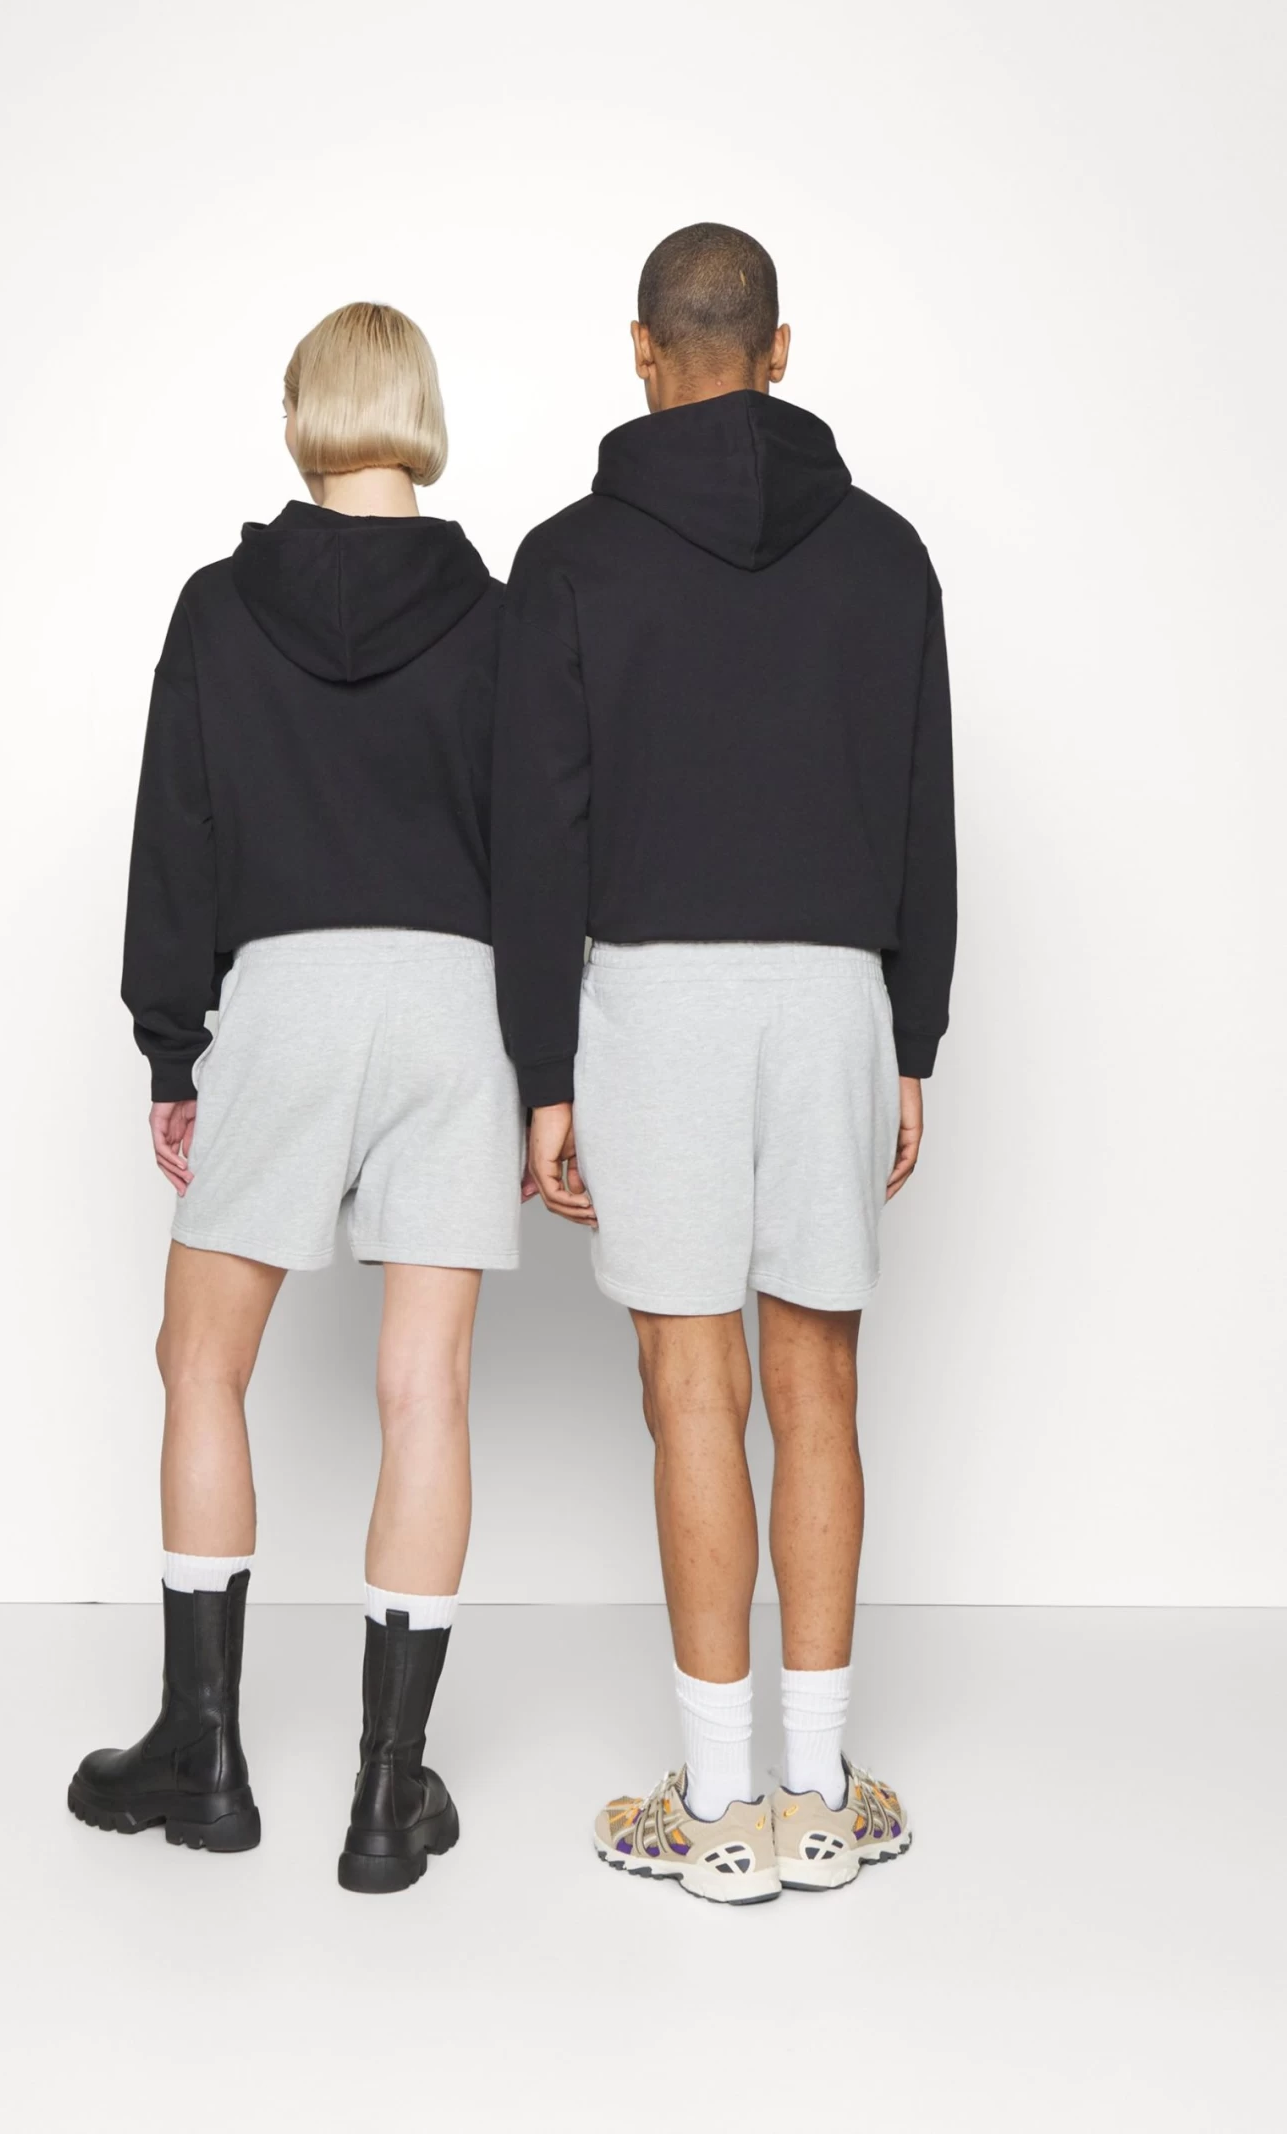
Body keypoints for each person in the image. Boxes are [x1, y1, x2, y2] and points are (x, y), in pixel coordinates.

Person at [492, 224, 955, 1904]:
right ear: (778, 349)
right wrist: (913, 1035)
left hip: (655, 1003)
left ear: (642, 349)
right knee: (819, 1381)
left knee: (692, 1388)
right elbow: (924, 810)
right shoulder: (887, 556)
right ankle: (821, 1795)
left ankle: (716, 1803)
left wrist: (544, 1065)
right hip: (834, 999)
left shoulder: (566, 562)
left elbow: (536, 836)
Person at [68, 302, 521, 1892]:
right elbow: (547, 848)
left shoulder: (218, 607)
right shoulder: (501, 616)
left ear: (300, 415)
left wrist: (172, 1045)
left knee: (201, 1360)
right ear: (423, 413)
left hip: (286, 994)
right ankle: (388, 1799)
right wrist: (547, 1065)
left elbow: (175, 832)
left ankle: (204, 1757)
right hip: (458, 1003)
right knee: (427, 1388)